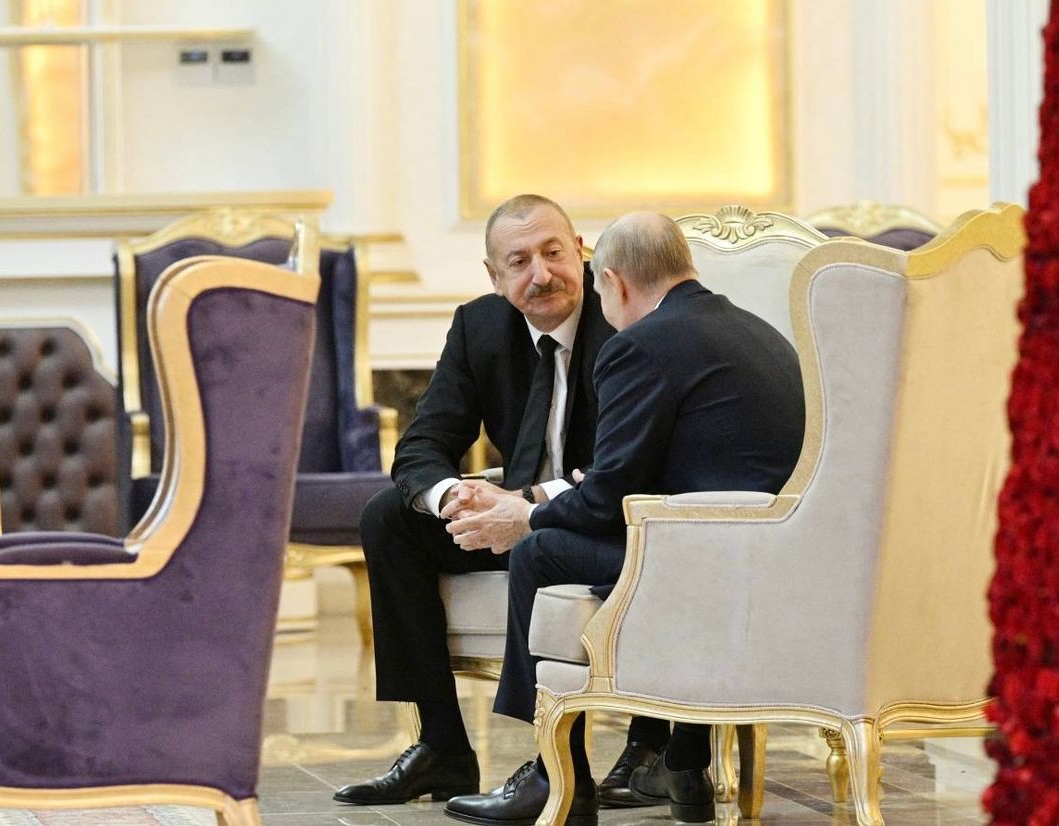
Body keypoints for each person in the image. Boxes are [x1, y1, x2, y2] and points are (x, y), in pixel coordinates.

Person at [439, 212, 806, 826]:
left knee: (541, 550)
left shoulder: (642, 343)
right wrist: (601, 485)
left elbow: (608, 500)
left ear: (614, 281)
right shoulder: (759, 331)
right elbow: (686, 468)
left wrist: (526, 515)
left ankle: (558, 778)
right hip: (770, 557)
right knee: (567, 531)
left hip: (705, 562)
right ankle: (682, 763)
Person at [337, 194, 664, 807]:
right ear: (495, 276)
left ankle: (584, 763)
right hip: (517, 515)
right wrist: (455, 496)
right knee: (388, 518)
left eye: (552, 253)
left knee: (547, 538)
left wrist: (529, 506)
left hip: (599, 520)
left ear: (582, 253)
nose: (541, 275)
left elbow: (629, 466)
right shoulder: (480, 326)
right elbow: (421, 445)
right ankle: (441, 747)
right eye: (518, 261)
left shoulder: (621, 318)